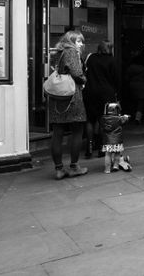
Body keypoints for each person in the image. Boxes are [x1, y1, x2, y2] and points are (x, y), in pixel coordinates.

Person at [48, 30, 89, 180]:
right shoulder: (71, 52)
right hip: (72, 96)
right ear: (71, 41)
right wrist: (84, 80)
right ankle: (74, 166)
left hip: (57, 96)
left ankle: (59, 169)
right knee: (77, 130)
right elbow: (77, 73)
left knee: (57, 133)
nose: (81, 44)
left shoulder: (57, 52)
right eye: (78, 41)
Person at [82, 40, 117, 159]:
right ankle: (102, 147)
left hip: (90, 91)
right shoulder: (112, 60)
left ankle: (89, 147)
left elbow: (85, 72)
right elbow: (115, 79)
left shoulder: (91, 58)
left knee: (90, 120)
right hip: (106, 93)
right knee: (103, 120)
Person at [100, 102, 131, 173]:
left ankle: (107, 169)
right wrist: (126, 117)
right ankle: (115, 166)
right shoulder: (119, 118)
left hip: (107, 141)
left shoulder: (103, 118)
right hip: (117, 140)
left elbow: (101, 126)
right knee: (117, 153)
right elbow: (125, 120)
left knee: (108, 154)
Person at [125, 52, 144, 124]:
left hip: (132, 86)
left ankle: (131, 117)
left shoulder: (130, 68)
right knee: (140, 103)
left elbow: (126, 78)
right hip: (142, 86)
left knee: (132, 102)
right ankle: (137, 118)